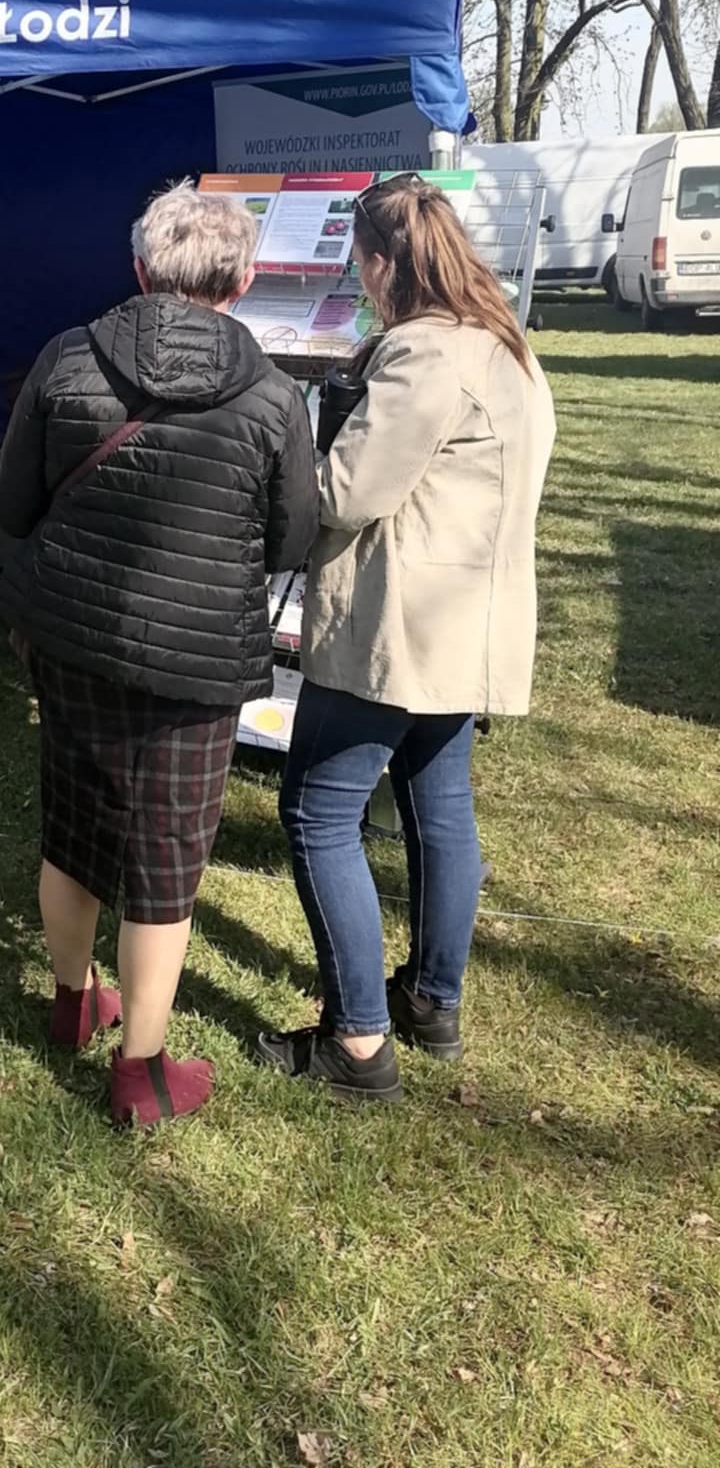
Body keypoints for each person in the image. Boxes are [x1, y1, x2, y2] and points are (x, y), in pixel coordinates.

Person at [0, 184, 319, 1128]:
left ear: (139, 269)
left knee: (73, 822)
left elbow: (11, 505)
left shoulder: (67, 357)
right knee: (166, 858)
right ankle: (140, 1071)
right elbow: (293, 539)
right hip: (197, 658)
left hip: (71, 634)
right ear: (244, 281)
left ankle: (72, 1001)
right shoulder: (271, 394)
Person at [257, 173, 556, 1102]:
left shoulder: (425, 354)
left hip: (399, 628)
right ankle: (432, 1000)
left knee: (318, 813)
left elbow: (348, 492)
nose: (361, 282)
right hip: (467, 623)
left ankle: (357, 1040)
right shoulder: (505, 345)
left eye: (362, 266)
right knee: (439, 807)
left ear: (386, 262)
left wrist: (282, 466)